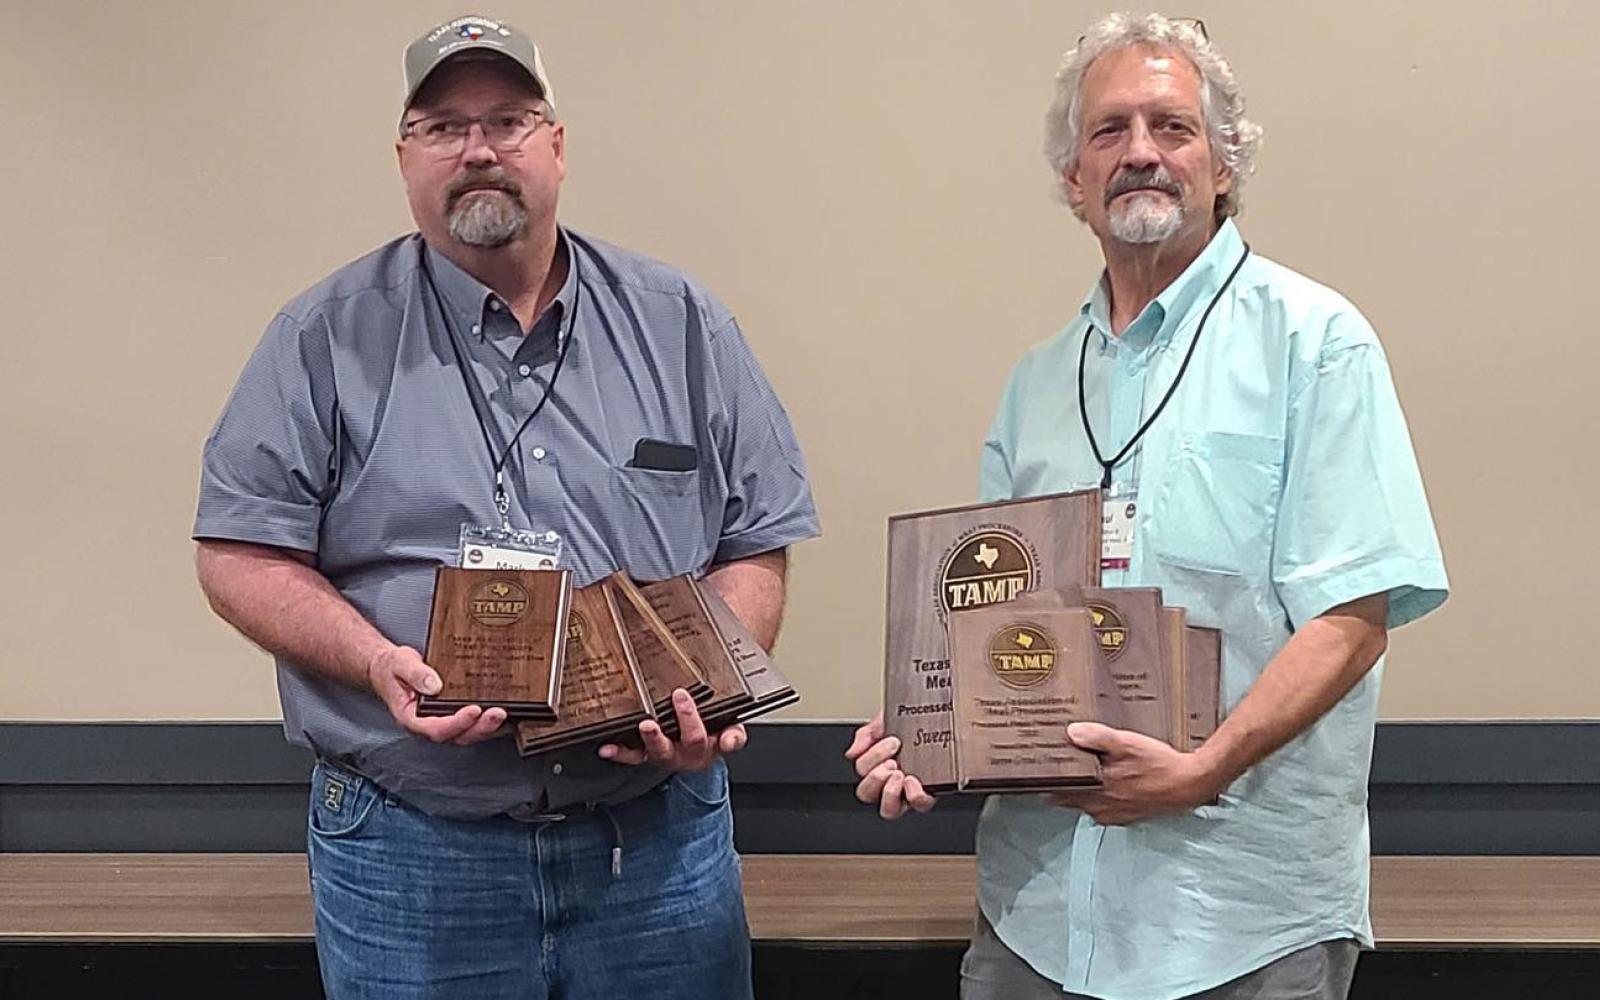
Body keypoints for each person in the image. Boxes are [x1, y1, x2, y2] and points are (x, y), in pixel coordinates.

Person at [193, 14, 818, 999]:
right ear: (404, 160)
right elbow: (239, 552)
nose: (479, 147)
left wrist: (706, 679)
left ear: (557, 148)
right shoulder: (319, 337)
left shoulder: (681, 322)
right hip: (411, 852)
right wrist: (374, 661)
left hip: (654, 848)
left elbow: (756, 538)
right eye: (443, 126)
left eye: (509, 120)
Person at [847, 13, 1448, 1000]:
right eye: (1108, 131)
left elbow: (1353, 616)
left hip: (1241, 919)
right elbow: (989, 622)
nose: (1139, 153)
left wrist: (1202, 768)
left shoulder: (1317, 343)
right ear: (1073, 181)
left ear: (1222, 166)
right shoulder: (1036, 383)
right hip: (1035, 913)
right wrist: (924, 730)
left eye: (1171, 127)